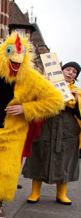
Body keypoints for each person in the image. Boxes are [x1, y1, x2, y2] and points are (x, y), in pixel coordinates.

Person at [0, 33, 64, 218]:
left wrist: (26, 109)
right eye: (11, 54)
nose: (15, 61)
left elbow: (56, 100)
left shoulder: (31, 78)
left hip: (14, 134)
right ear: (4, 54)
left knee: (7, 172)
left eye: (20, 56)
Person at [22, 61, 80, 205]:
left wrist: (77, 100)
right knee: (40, 153)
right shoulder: (48, 84)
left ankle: (62, 194)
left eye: (74, 71)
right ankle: (35, 192)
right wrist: (43, 84)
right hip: (47, 122)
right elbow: (35, 97)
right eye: (68, 69)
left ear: (75, 76)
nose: (70, 73)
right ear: (61, 71)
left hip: (67, 127)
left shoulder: (77, 91)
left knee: (65, 159)